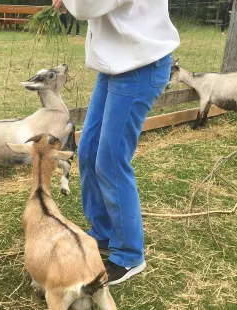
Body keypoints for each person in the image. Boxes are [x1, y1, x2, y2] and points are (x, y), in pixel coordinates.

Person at [53, 0, 179, 285]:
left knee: (110, 160)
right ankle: (104, 233)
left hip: (140, 66)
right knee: (88, 151)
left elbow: (86, 6)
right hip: (118, 64)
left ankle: (129, 255)